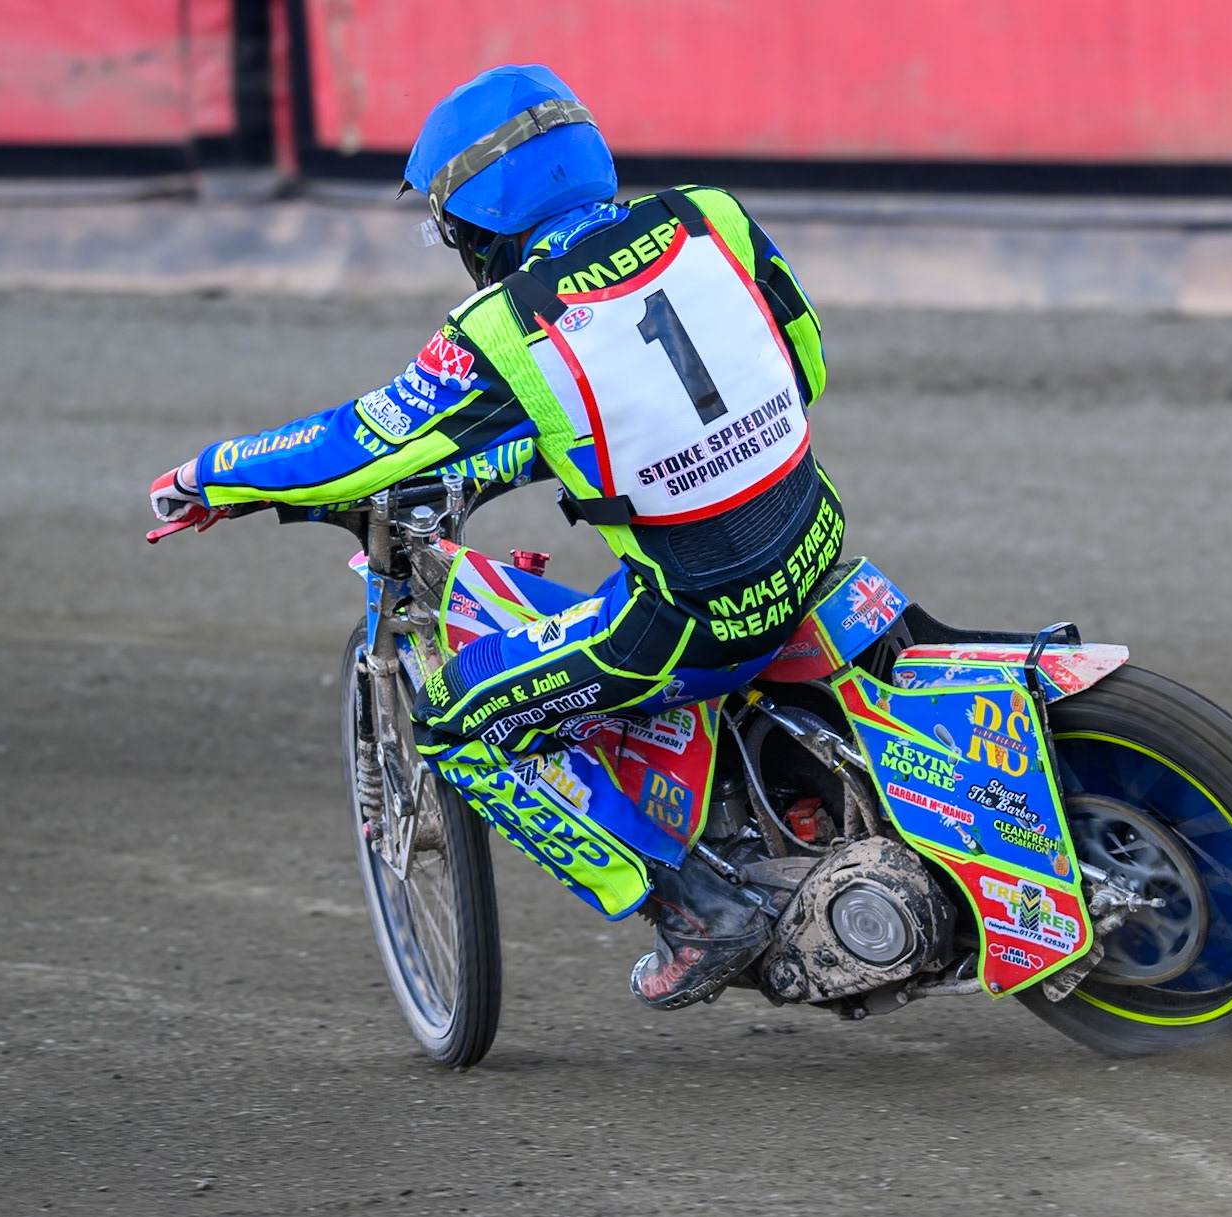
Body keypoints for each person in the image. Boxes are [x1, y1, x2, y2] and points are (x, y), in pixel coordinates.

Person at [147, 64, 843, 1009]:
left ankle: (693, 909)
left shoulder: (506, 324)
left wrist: (209, 474)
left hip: (694, 622)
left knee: (455, 721)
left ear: (477, 226)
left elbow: (359, 447)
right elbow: (800, 371)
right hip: (815, 537)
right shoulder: (709, 216)